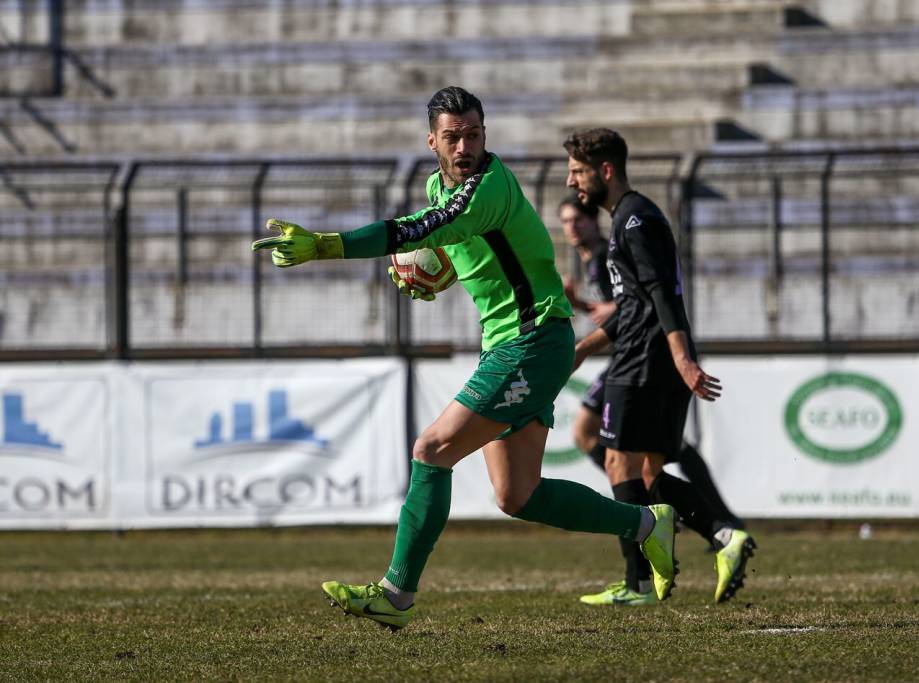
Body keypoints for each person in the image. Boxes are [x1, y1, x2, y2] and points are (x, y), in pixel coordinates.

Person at [251, 87, 679, 632]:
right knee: (517, 494)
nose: (464, 146)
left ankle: (396, 594)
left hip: (531, 340)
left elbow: (420, 230)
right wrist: (433, 272)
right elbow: (466, 247)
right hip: (512, 343)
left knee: (431, 449)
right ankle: (647, 524)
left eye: (473, 134)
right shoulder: (439, 187)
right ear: (432, 140)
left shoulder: (486, 188)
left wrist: (326, 245)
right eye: (452, 136)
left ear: (484, 136)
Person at [564, 129, 756, 605]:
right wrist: (586, 347)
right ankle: (724, 537)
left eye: (578, 171)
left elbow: (661, 295)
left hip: (644, 359)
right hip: (646, 353)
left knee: (617, 462)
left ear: (605, 170)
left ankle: (638, 584)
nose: (572, 181)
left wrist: (681, 357)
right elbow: (633, 304)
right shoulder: (630, 219)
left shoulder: (634, 221)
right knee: (649, 475)